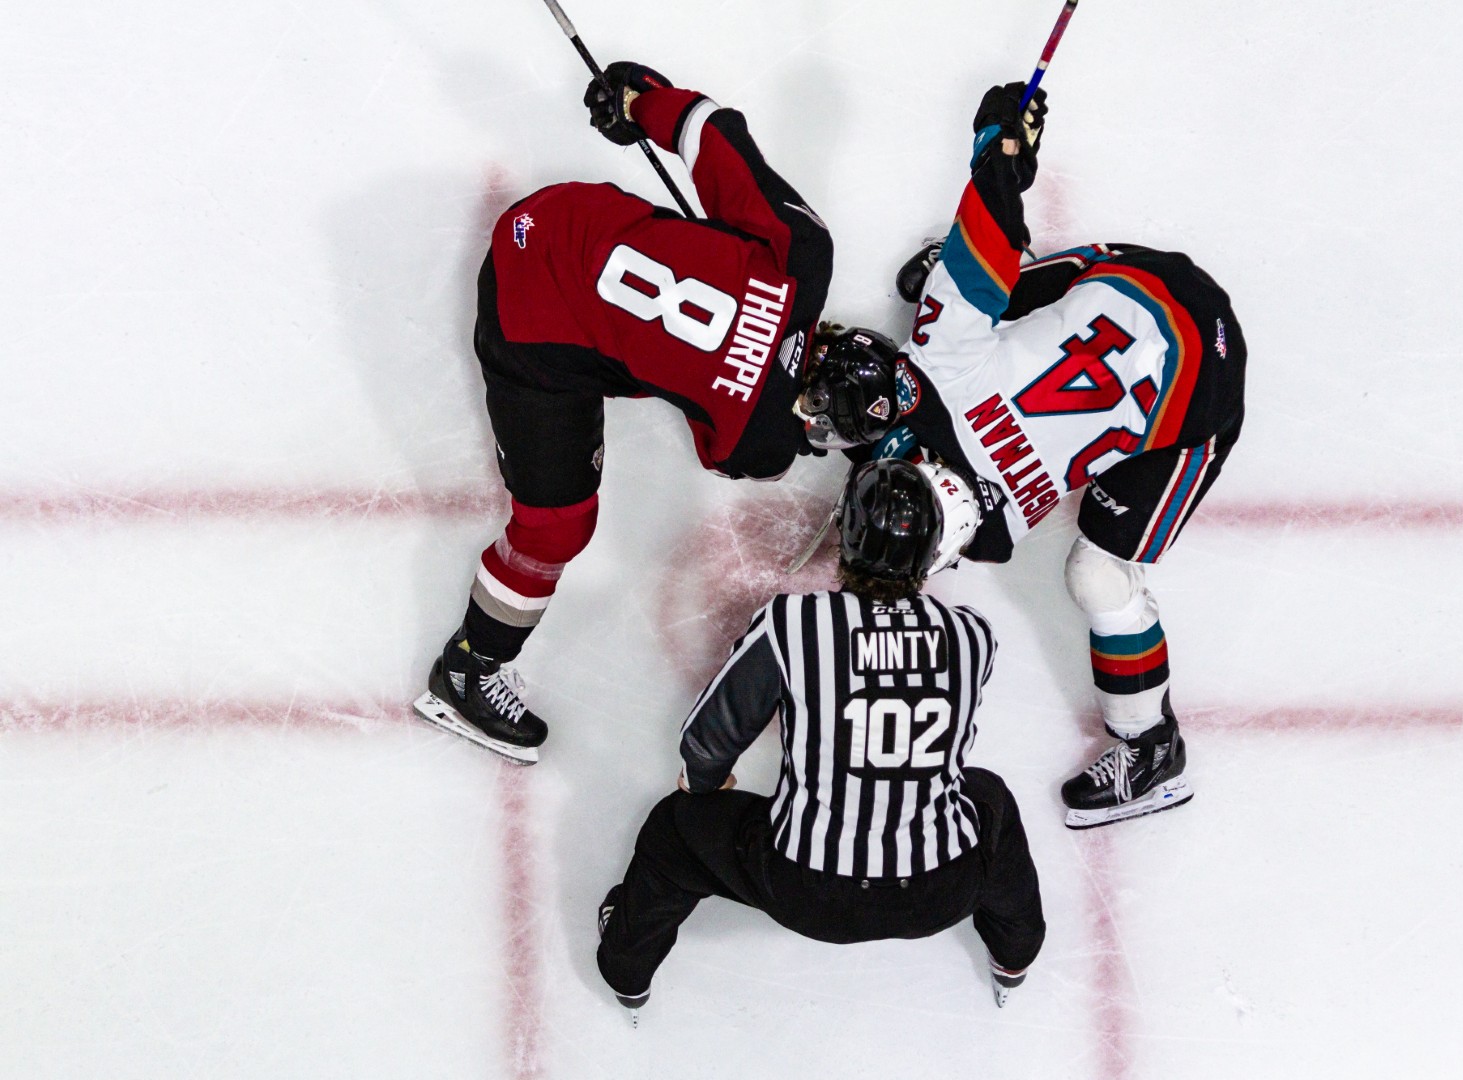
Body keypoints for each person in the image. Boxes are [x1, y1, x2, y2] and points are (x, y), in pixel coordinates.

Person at [412, 61, 899, 763]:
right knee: (556, 528)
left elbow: (716, 135)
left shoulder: (804, 257)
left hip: (549, 216)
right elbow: (715, 437)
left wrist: (640, 100)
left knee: (666, 284)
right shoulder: (758, 445)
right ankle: (468, 672)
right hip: (527, 325)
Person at [824, 83, 1248, 828]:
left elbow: (926, 495)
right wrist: (1002, 146)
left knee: (1098, 572)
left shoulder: (994, 533)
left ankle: (1153, 748)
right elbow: (987, 227)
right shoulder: (942, 362)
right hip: (1155, 287)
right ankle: (1144, 739)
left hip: (1197, 386)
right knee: (970, 287)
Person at [595, 458, 1045, 1022]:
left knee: (671, 833)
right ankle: (1015, 955)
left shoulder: (794, 622)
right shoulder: (973, 634)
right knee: (989, 798)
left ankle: (626, 972)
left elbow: (707, 745)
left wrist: (704, 783)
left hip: (809, 890)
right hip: (941, 889)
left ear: (847, 535)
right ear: (934, 547)